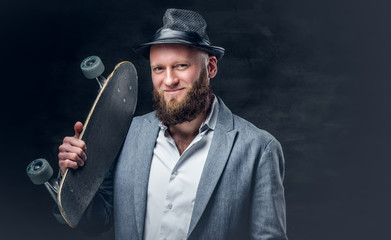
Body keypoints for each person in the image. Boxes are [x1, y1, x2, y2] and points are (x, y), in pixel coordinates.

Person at [58, 8, 288, 240]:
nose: (169, 80)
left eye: (181, 66)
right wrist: (75, 183)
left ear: (211, 67)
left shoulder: (259, 149)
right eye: (159, 68)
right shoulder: (126, 134)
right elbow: (98, 219)